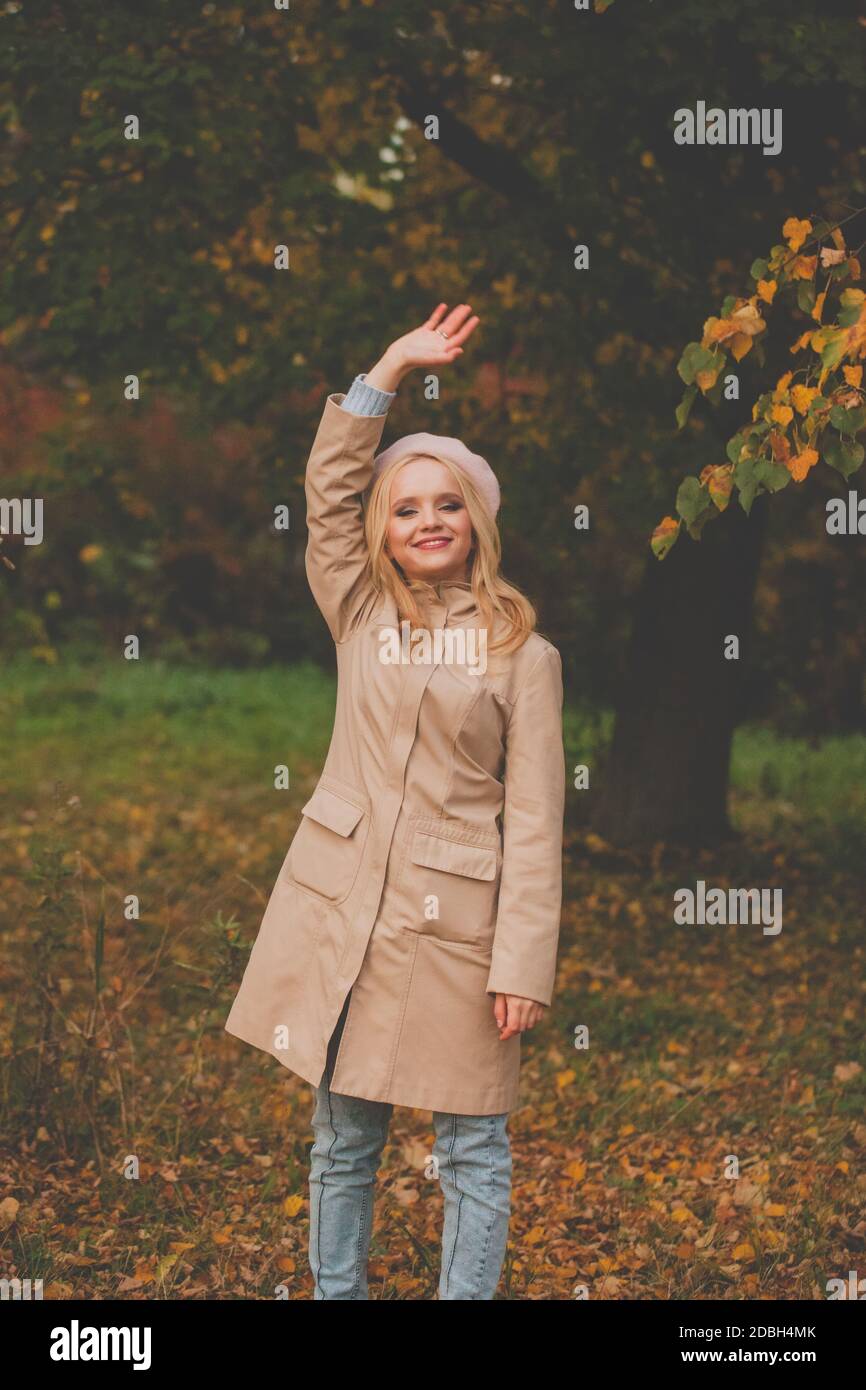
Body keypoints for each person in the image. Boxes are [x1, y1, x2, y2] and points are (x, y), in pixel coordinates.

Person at [224, 302, 566, 1299]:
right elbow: (327, 492)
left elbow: (538, 819)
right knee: (342, 1140)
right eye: (406, 506)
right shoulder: (357, 609)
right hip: (349, 914)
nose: (425, 522)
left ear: (476, 522)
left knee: (471, 1148)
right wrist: (388, 368)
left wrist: (522, 962)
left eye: (446, 505)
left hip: (458, 932)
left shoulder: (524, 654)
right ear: (386, 527)